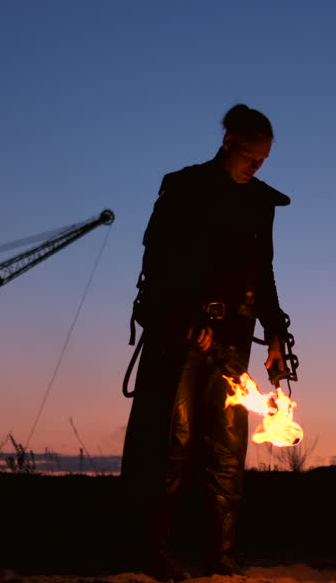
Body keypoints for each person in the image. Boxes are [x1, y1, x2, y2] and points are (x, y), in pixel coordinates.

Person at [122, 104, 293, 581]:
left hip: (234, 341)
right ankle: (154, 551)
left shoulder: (260, 202)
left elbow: (264, 273)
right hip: (180, 338)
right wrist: (185, 317)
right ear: (228, 144)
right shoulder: (183, 188)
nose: (257, 167)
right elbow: (158, 263)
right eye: (251, 157)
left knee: (226, 448)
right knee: (170, 444)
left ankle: (220, 555)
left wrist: (275, 334)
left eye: (264, 160)